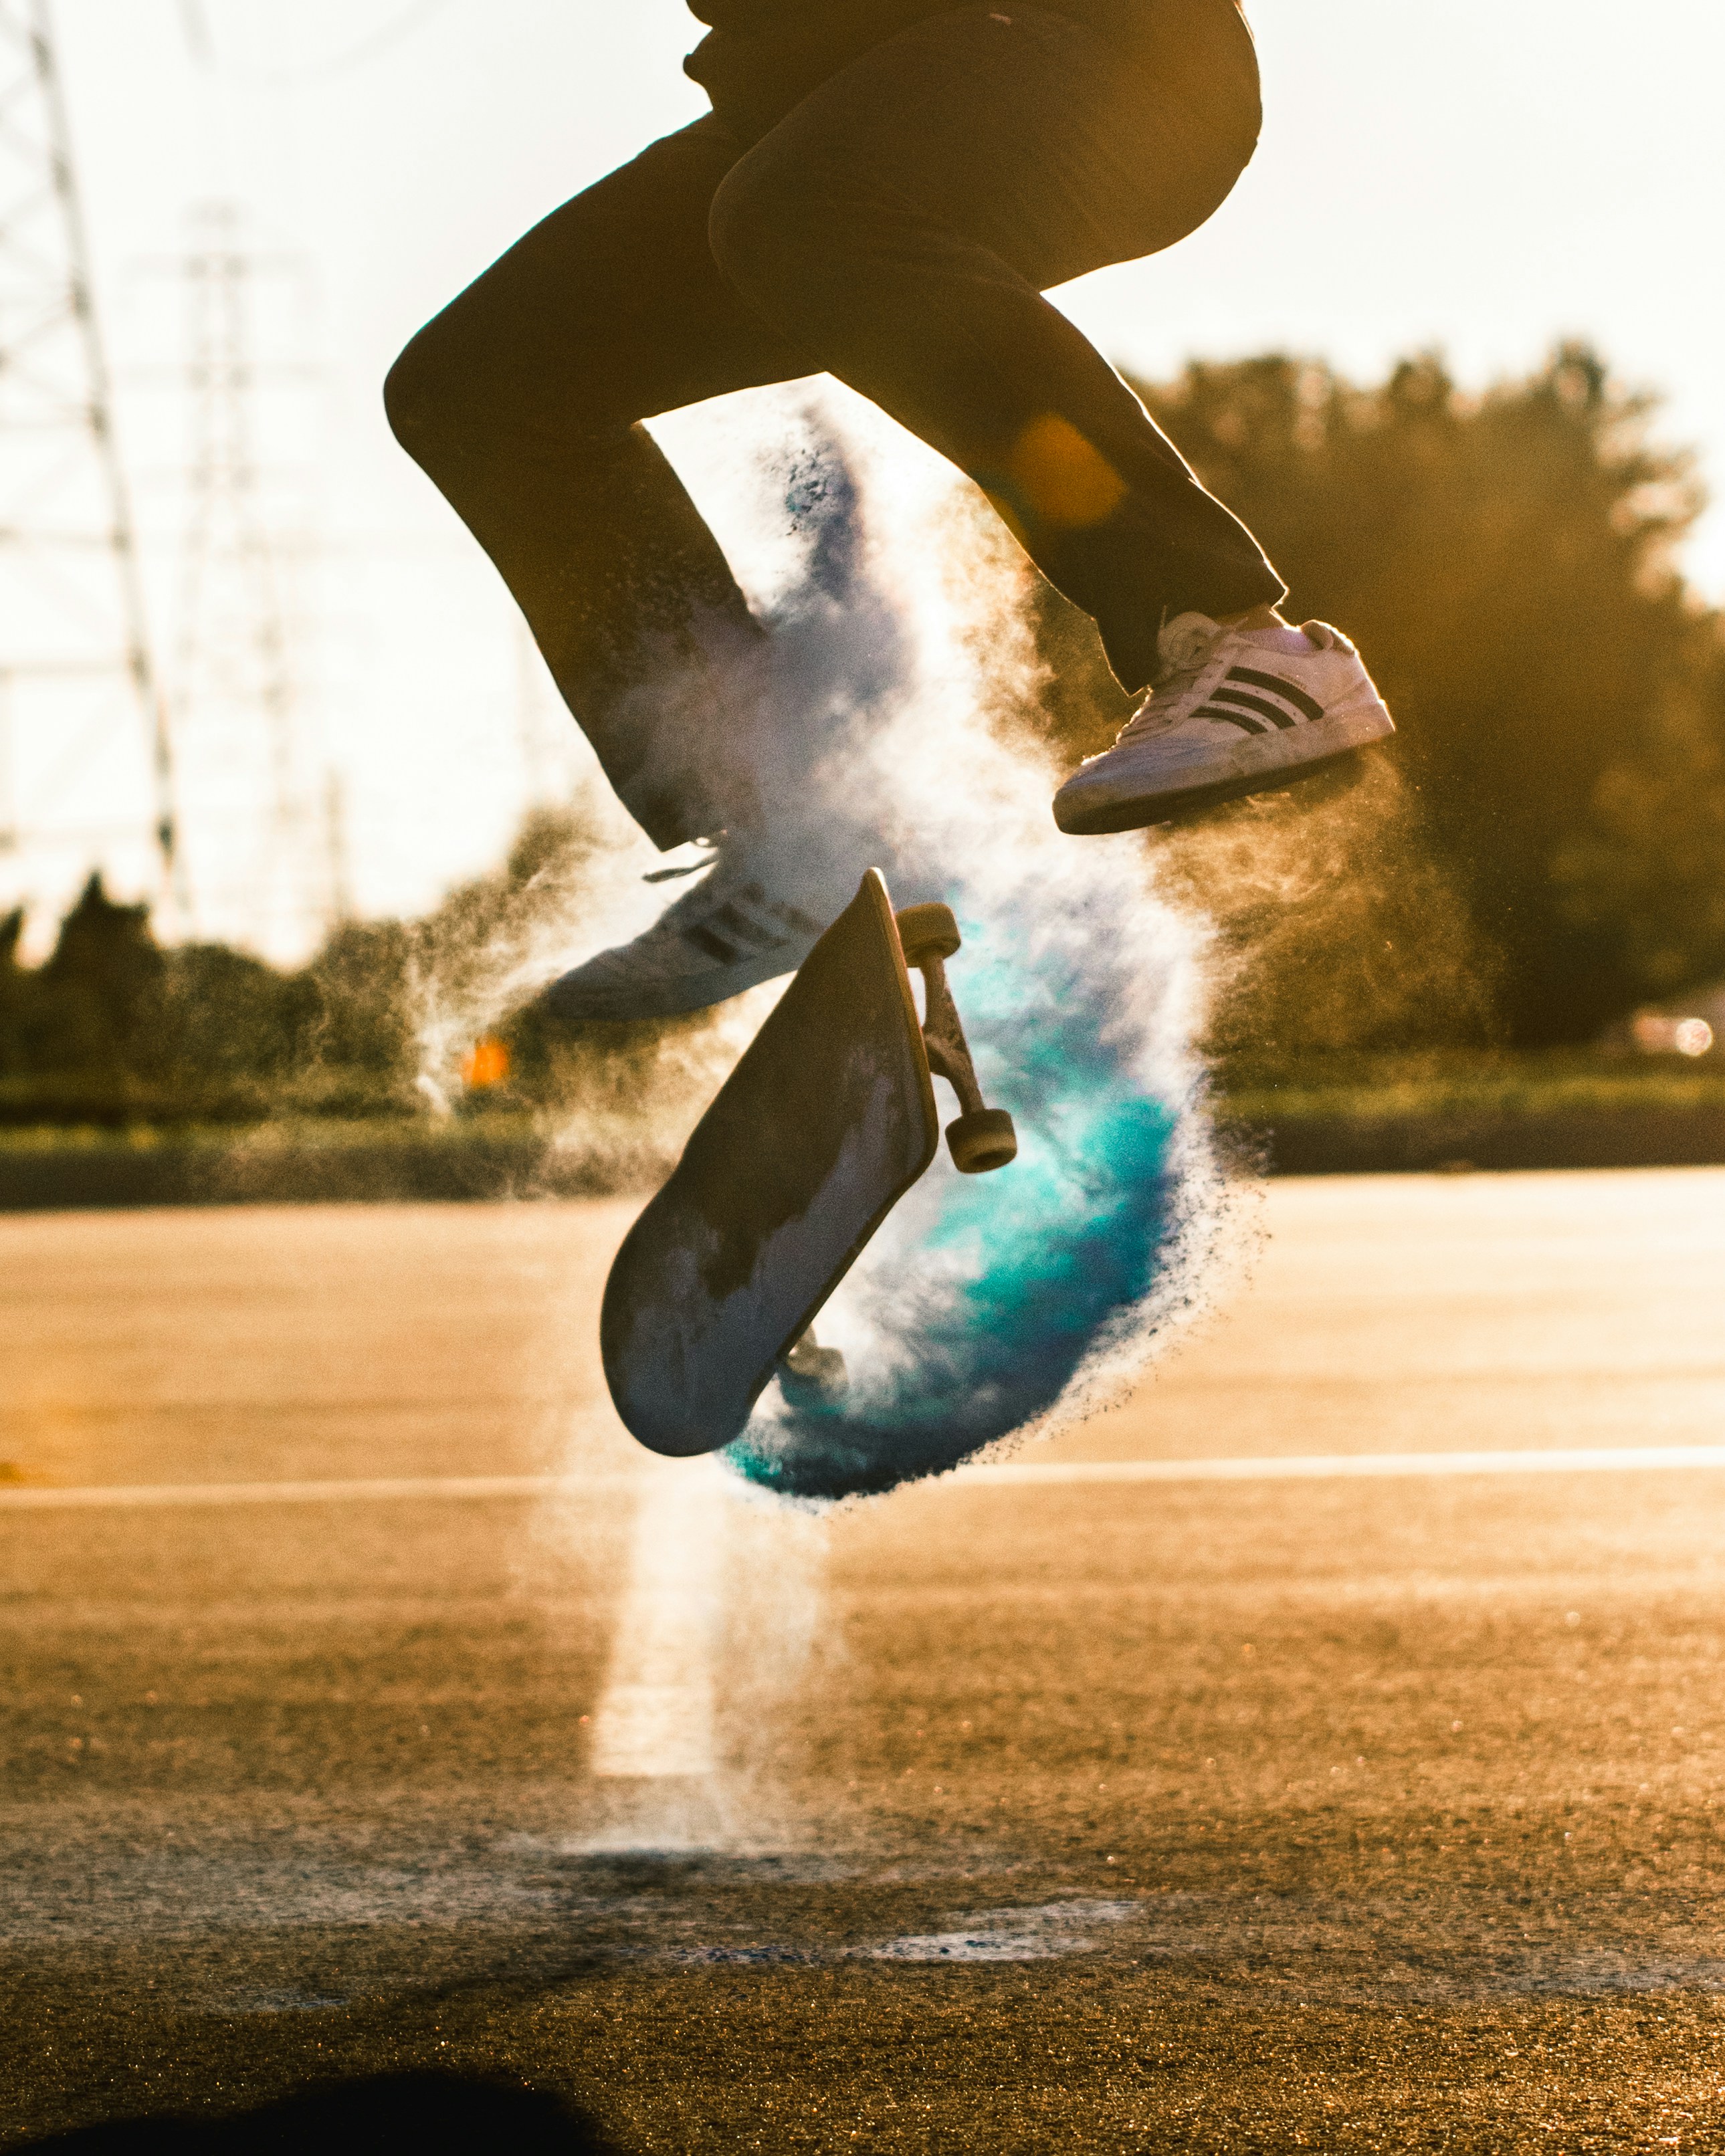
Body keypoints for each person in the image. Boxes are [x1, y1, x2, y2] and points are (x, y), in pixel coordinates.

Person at [385, 0, 1393, 1020]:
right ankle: (786, 838)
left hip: (1105, 52)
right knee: (480, 387)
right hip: (805, 102)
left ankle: (1230, 631)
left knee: (803, 213)